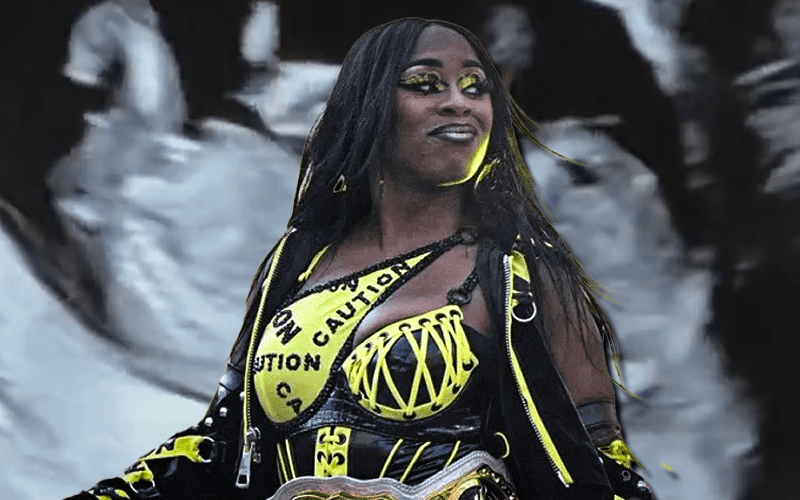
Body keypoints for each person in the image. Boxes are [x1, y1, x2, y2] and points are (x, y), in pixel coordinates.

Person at [66, 18, 655, 500]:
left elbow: (604, 476)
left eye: (476, 87)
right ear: (367, 103)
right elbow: (221, 447)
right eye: (426, 83)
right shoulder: (290, 268)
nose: (459, 103)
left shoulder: (526, 280)